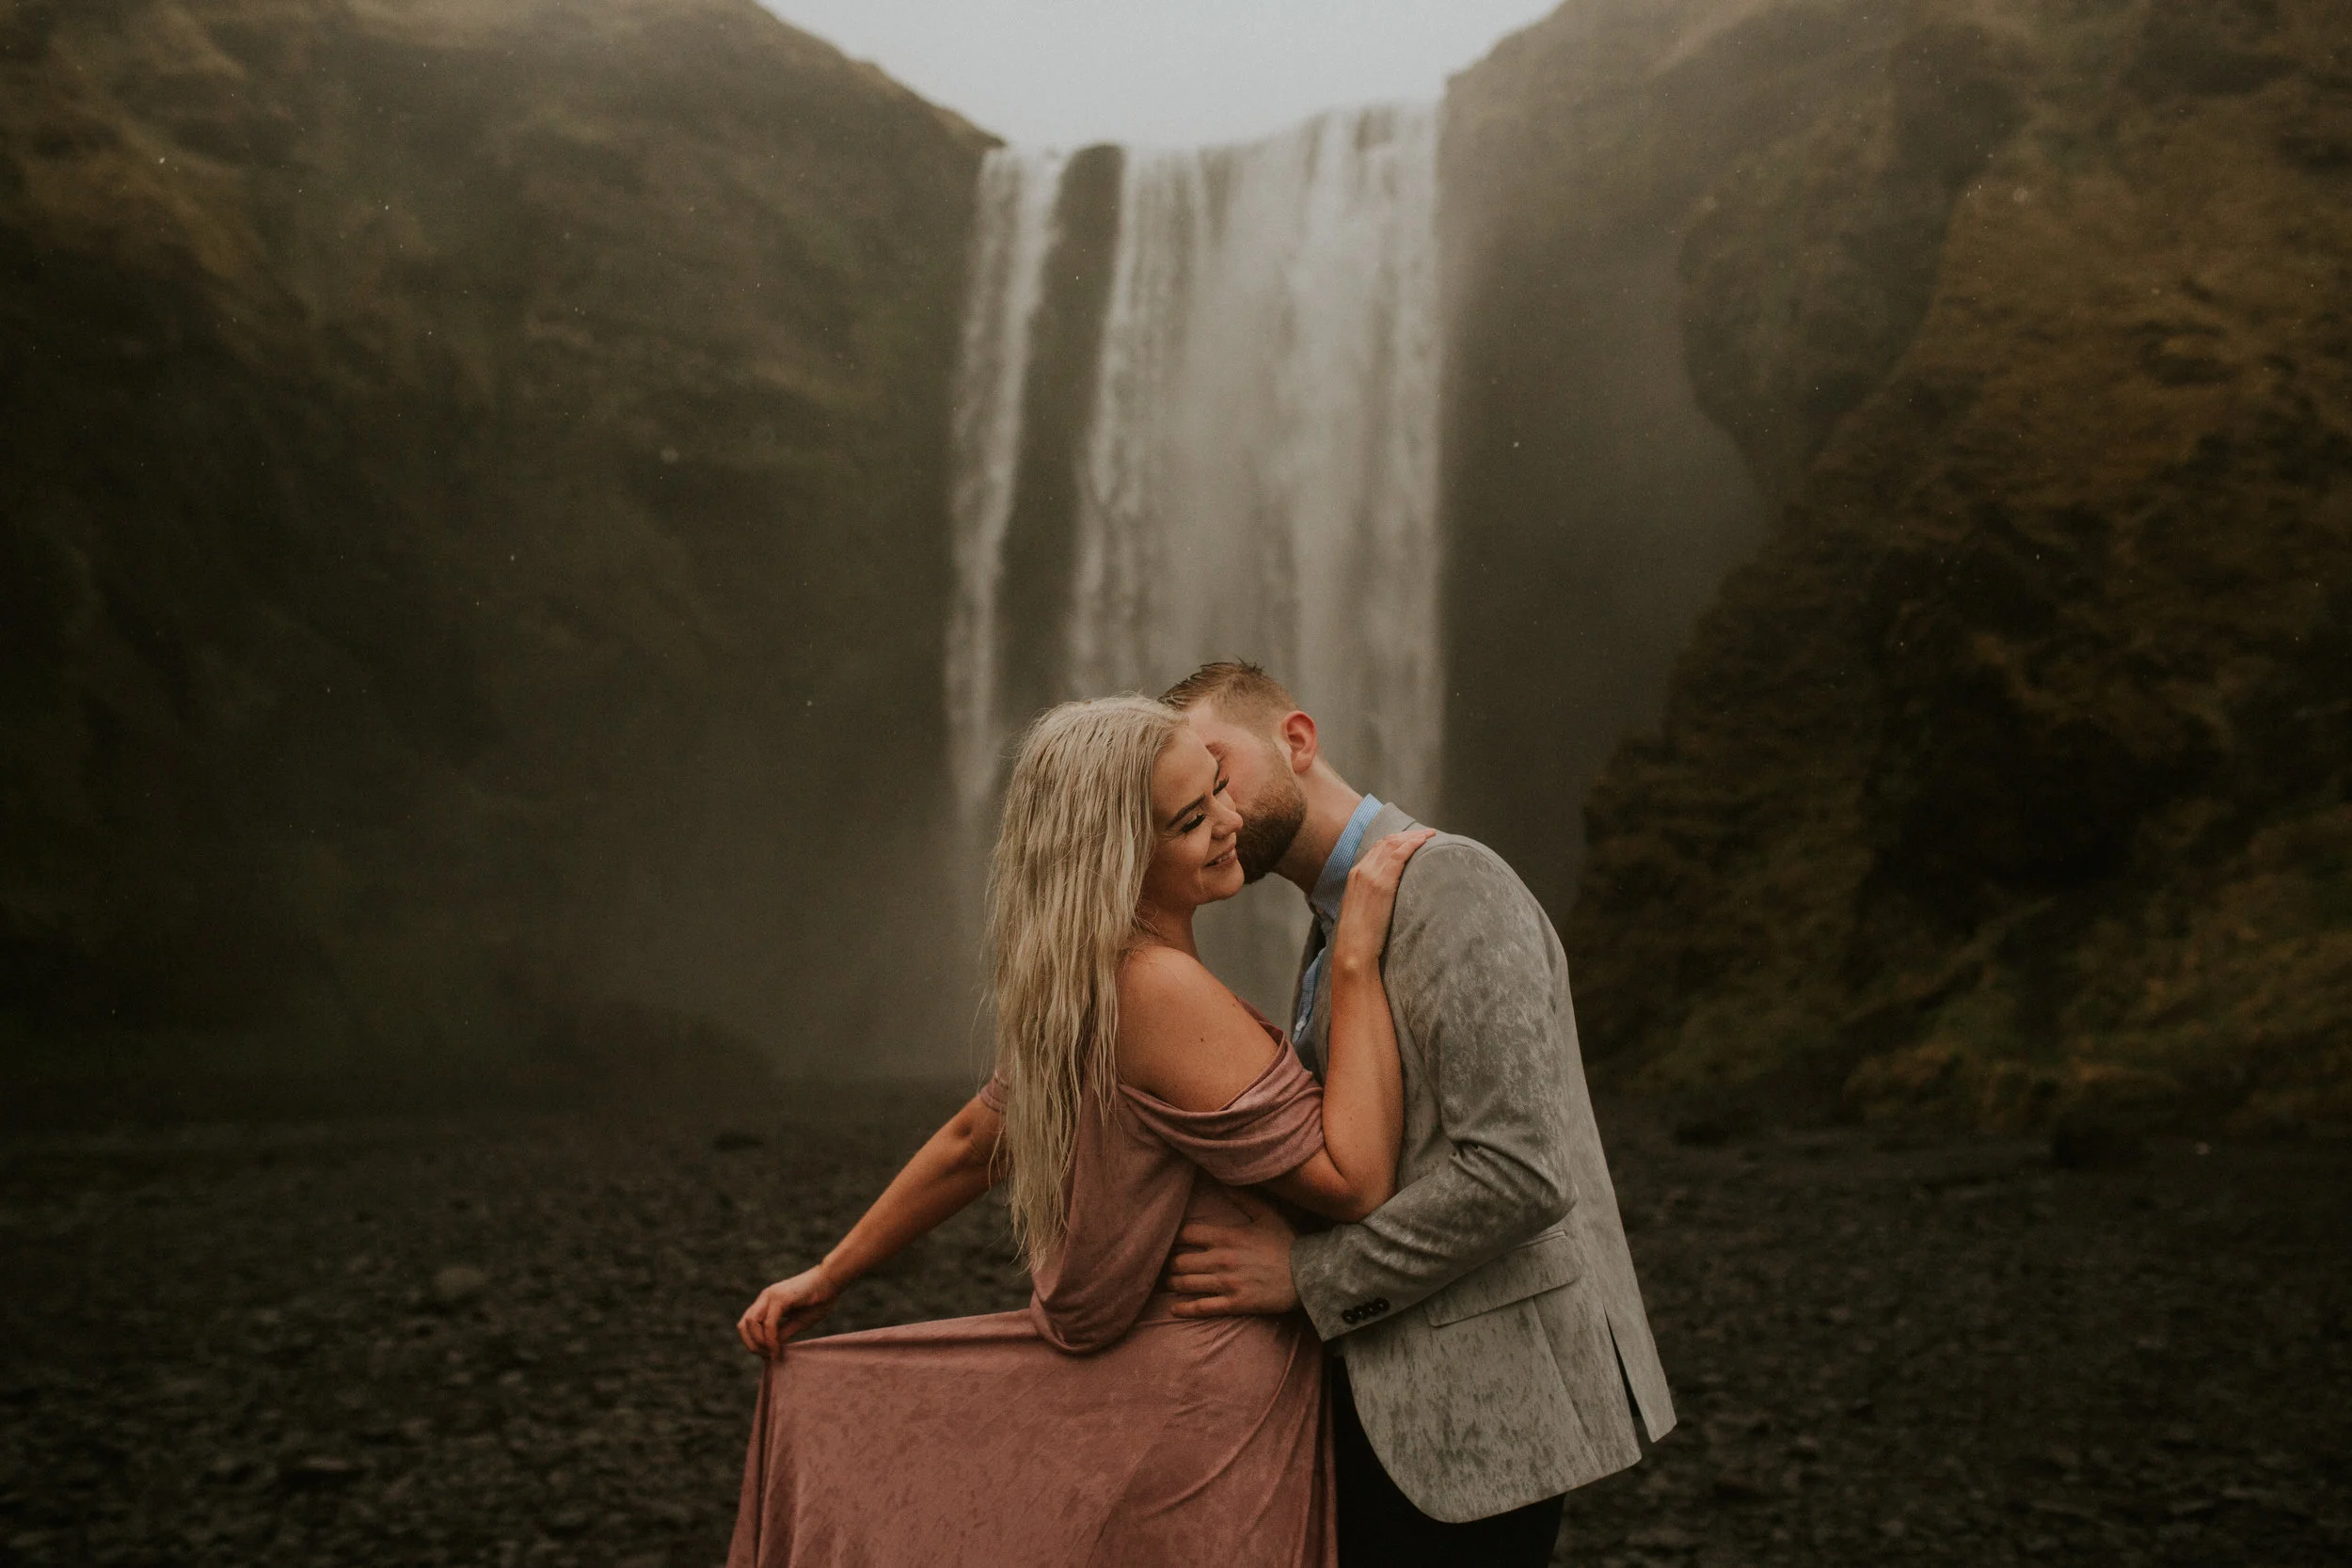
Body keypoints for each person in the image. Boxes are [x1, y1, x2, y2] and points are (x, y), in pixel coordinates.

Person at [727, 694, 1433, 1568]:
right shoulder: (1160, 991)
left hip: (1170, 1381)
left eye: (1218, 786)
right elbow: (1356, 1178)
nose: (1232, 821)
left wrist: (830, 1273)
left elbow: (969, 1141)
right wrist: (1357, 955)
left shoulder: (1085, 979)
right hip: (1212, 1396)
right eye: (1191, 819)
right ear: (1119, 859)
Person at [1156, 660, 1676, 1568]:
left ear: (1298, 739)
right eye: (1192, 795)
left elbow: (1521, 1172)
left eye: (1219, 769)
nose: (1217, 809)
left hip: (1486, 1410)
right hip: (1406, 1403)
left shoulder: (1452, 881)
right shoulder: (1336, 928)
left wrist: (1307, 1276)